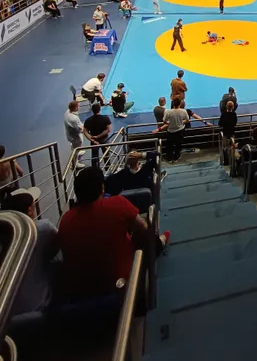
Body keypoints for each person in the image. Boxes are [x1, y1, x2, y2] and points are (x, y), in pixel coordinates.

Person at [58, 167, 170, 299]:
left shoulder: (66, 220)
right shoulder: (117, 204)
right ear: (102, 188)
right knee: (145, 231)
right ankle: (161, 242)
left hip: (80, 294)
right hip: (121, 287)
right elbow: (144, 229)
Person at [2, 187, 59, 316]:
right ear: (30, 211)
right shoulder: (42, 229)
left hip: (7, 315)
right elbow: (58, 248)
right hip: (39, 306)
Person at [153, 97, 189, 162]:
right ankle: (176, 157)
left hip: (170, 131)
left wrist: (170, 122)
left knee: (169, 145)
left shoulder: (168, 111)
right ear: (179, 104)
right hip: (180, 130)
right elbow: (187, 120)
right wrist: (181, 122)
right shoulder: (184, 111)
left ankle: (169, 158)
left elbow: (164, 121)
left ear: (173, 103)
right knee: (178, 144)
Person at [83, 103, 112, 169]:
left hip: (94, 141)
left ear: (92, 110)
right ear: (100, 109)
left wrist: (92, 139)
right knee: (106, 154)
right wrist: (98, 136)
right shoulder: (105, 118)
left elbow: (85, 131)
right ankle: (107, 167)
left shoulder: (88, 120)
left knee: (94, 156)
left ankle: (95, 169)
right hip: (104, 139)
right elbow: (108, 130)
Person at [64, 101, 86, 170]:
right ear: (76, 108)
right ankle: (75, 164)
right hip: (76, 137)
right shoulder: (74, 119)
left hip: (70, 134)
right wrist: (85, 127)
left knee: (74, 146)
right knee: (76, 148)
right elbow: (80, 129)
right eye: (78, 106)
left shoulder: (67, 112)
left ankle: (77, 151)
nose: (79, 107)